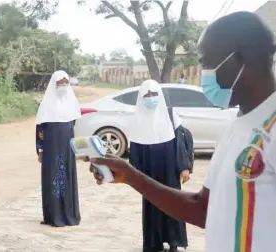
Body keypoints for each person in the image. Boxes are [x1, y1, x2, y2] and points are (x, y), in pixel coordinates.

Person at [86, 12, 276, 251]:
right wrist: (130, 175)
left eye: (208, 63)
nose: (205, 73)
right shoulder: (238, 126)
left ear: (242, 61)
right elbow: (202, 208)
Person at [129, 79, 189, 252]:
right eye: (147, 95)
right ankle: (153, 243)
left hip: (169, 170)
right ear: (141, 98)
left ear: (160, 96)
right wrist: (134, 177)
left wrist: (184, 168)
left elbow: (180, 146)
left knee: (173, 202)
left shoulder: (171, 118)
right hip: (148, 172)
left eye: (154, 94)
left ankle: (174, 242)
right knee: (151, 205)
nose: (150, 98)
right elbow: (135, 153)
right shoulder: (137, 121)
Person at [35, 70, 82, 227]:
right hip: (51, 149)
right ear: (54, 84)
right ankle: (53, 216)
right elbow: (40, 131)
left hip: (67, 149)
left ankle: (70, 215)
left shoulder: (72, 103)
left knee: (66, 179)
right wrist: (40, 150)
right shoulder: (46, 105)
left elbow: (73, 126)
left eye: (65, 82)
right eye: (60, 82)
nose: (63, 85)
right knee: (53, 180)